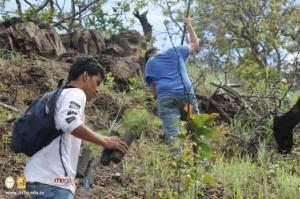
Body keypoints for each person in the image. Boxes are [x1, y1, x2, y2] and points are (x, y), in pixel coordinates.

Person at [25, 57, 128, 199]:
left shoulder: (59, 95)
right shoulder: (76, 93)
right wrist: (105, 141)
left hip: (37, 178)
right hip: (54, 181)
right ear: (85, 76)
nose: (97, 90)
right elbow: (69, 122)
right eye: (97, 83)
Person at [144, 17, 200, 153]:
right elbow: (195, 43)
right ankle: (201, 163)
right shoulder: (176, 51)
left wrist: (162, 99)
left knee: (172, 134)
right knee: (196, 128)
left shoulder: (149, 63)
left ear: (150, 55)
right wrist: (189, 25)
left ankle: (180, 169)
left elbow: (153, 91)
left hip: (166, 98)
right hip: (186, 94)